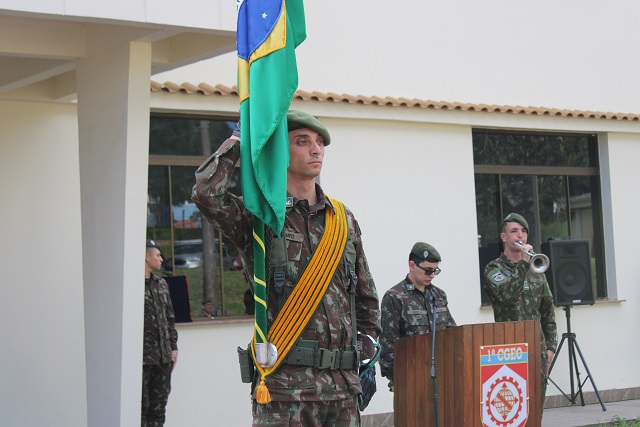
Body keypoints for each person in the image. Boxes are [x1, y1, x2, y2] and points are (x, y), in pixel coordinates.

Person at [192, 111, 381, 426]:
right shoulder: (260, 215)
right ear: (281, 150)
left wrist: (365, 357)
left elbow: (365, 297)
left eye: (320, 142)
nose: (316, 150)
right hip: (284, 392)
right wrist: (239, 140)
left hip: (342, 392)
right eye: (302, 141)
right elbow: (206, 193)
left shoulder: (342, 219)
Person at [483, 213, 557, 410]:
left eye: (523, 231)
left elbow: (547, 308)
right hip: (509, 347)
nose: (520, 236)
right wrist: (524, 263)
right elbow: (506, 296)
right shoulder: (493, 269)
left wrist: (550, 347)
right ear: (504, 237)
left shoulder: (536, 268)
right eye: (514, 231)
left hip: (536, 345)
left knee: (535, 404)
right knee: (512, 404)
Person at [379, 242, 456, 392]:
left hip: (442, 377)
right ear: (412, 265)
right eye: (428, 271)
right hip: (409, 379)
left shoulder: (439, 296)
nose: (432, 275)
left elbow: (452, 333)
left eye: (435, 271)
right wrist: (396, 379)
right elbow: (388, 344)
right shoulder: (395, 297)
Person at [143, 241, 179, 427]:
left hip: (163, 357)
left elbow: (170, 317)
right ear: (146, 257)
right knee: (141, 407)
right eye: (158, 255)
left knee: (159, 408)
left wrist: (173, 347)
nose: (161, 259)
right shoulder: (133, 287)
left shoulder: (161, 284)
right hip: (142, 359)